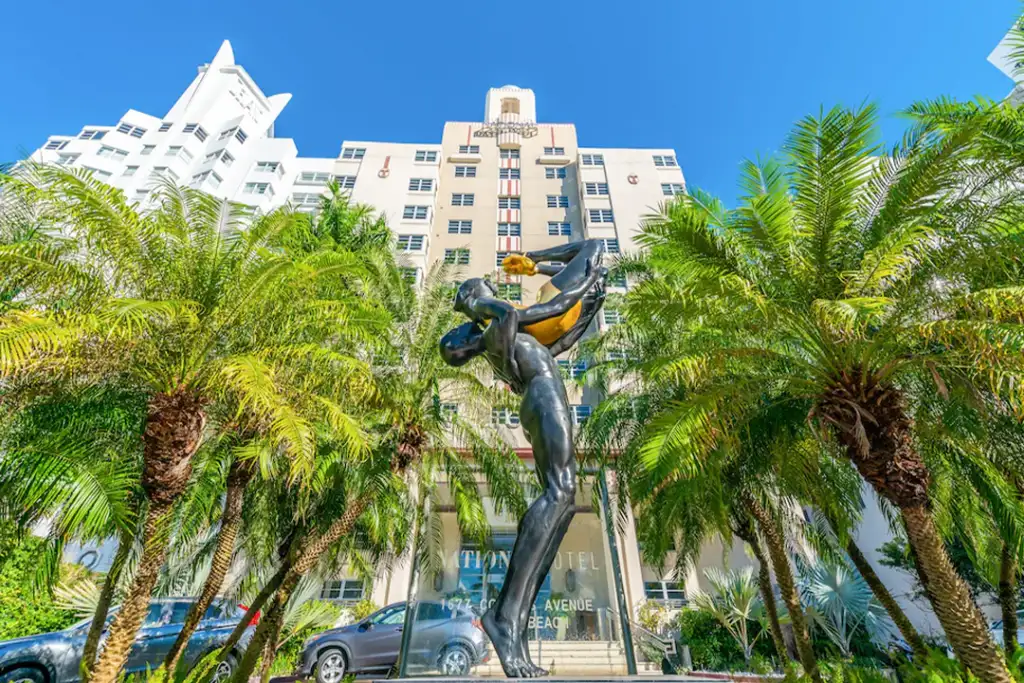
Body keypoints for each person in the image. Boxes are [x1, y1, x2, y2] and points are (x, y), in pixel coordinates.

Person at [439, 240, 606, 678]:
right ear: (465, 336)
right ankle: (504, 617)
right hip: (543, 398)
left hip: (546, 395)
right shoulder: (496, 330)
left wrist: (591, 307)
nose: (492, 290)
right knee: (559, 492)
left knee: (565, 499)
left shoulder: (509, 339)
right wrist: (476, 301)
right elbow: (524, 312)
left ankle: (512, 622)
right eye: (485, 291)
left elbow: (561, 337)